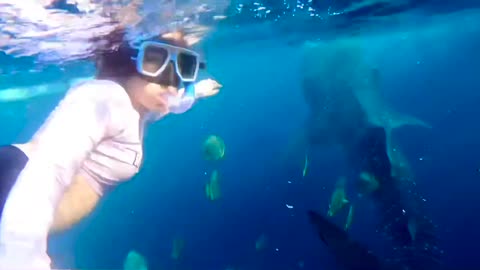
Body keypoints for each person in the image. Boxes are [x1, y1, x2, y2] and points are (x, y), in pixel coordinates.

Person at [0, 29, 222, 269]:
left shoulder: (141, 104)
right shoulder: (104, 98)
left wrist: (195, 92)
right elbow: (47, 171)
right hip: (15, 190)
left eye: (184, 67)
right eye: (155, 61)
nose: (171, 84)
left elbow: (172, 103)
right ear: (131, 58)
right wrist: (22, 258)